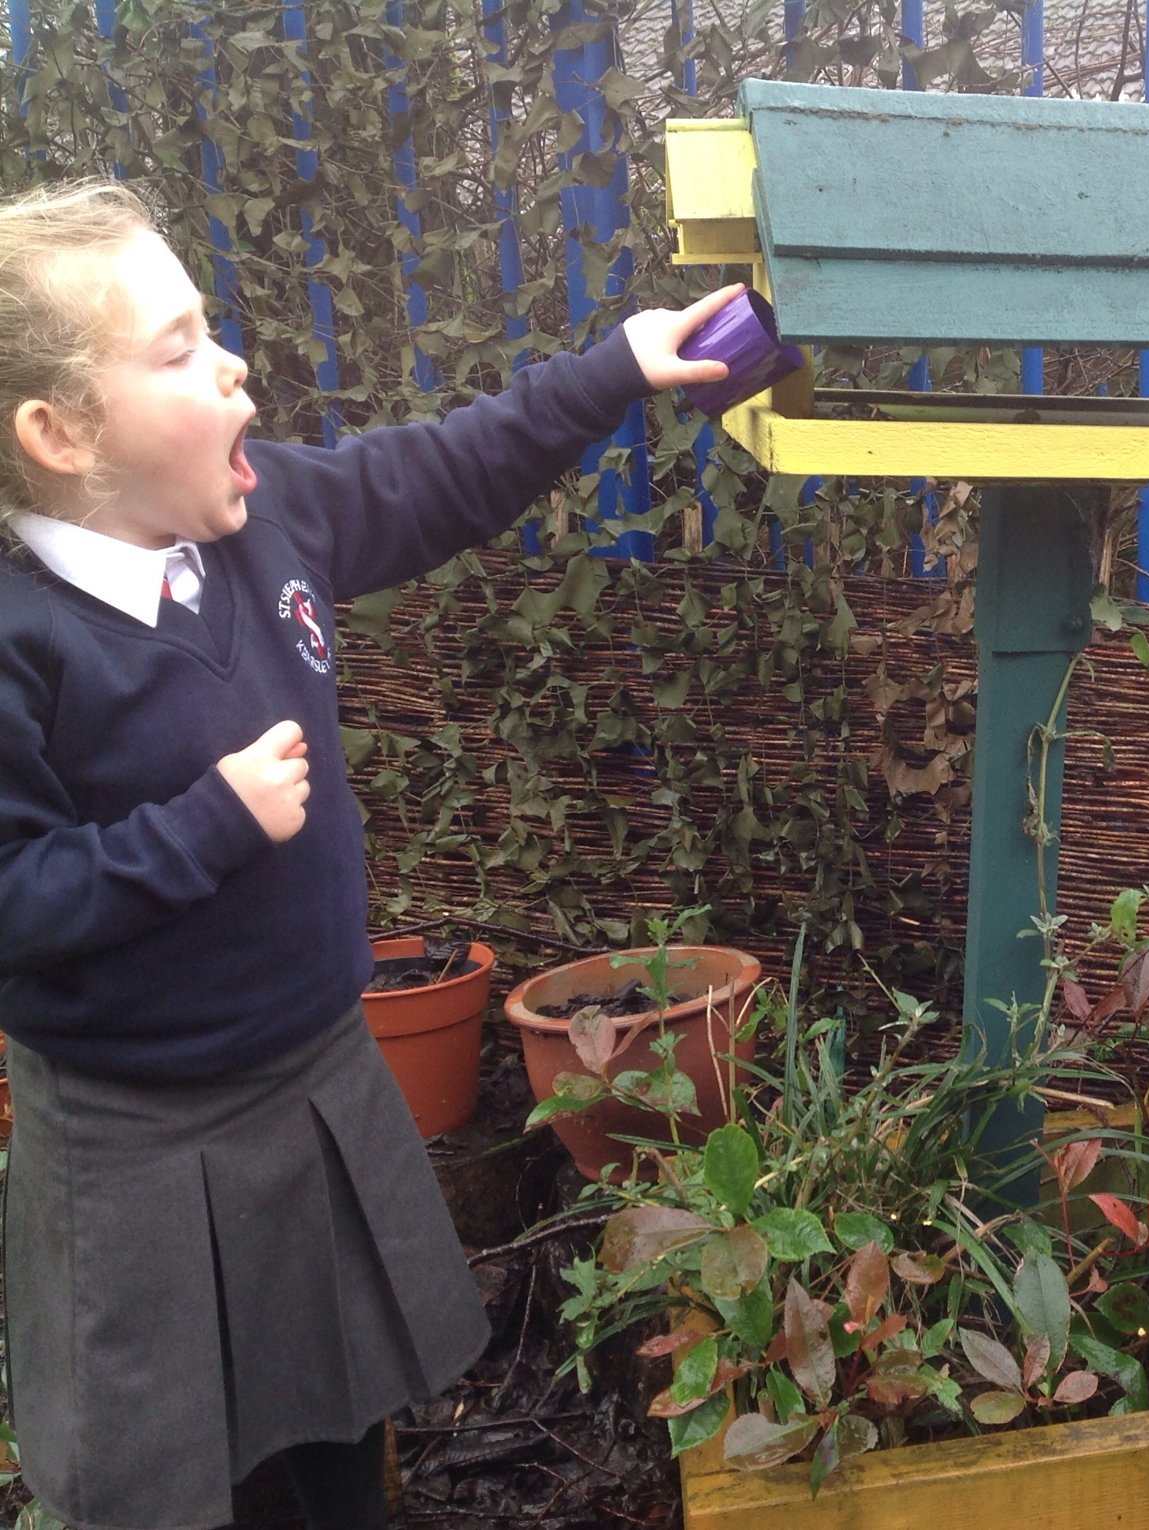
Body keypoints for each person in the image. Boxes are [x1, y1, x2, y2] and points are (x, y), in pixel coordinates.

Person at [0, 177, 742, 1530]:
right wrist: (203, 829)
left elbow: (436, 474)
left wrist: (614, 369)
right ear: (57, 433)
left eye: (209, 327)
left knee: (345, 1427)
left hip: (316, 1078)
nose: (232, 366)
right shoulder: (20, 641)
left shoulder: (262, 517)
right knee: (175, 1481)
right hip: (134, 1136)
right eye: (176, 351)